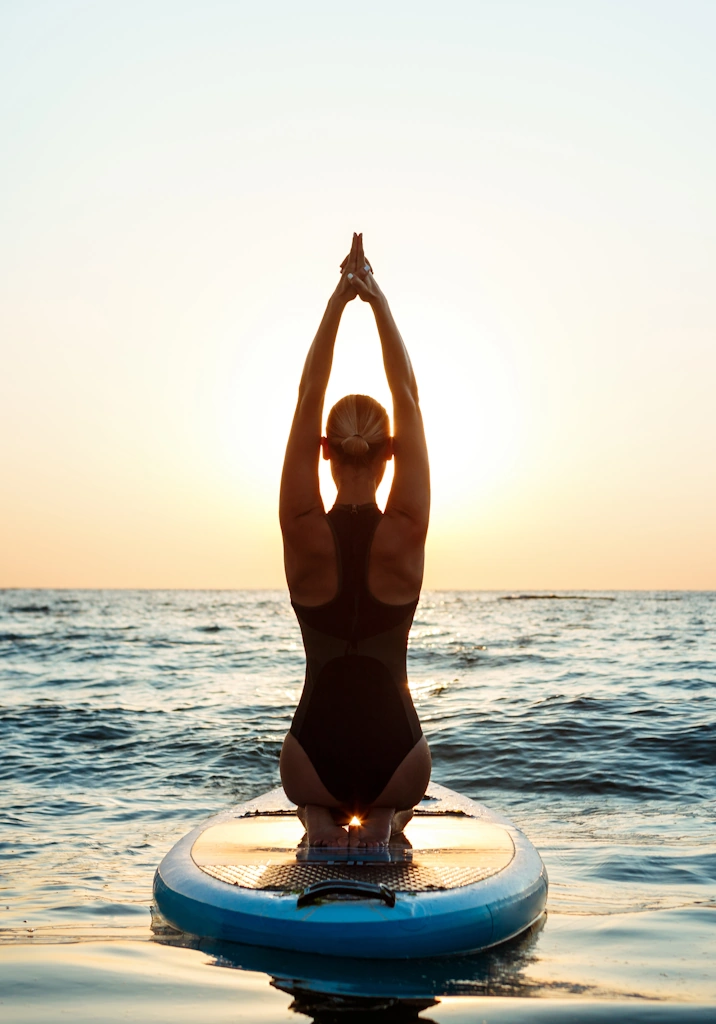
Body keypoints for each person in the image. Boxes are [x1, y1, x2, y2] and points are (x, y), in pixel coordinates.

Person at [279, 233, 431, 849]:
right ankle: (389, 822)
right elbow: (410, 400)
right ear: (389, 453)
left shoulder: (301, 527)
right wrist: (378, 300)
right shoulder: (406, 530)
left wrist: (338, 301)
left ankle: (318, 822)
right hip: (399, 760)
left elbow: (308, 396)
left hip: (311, 760)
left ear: (324, 452)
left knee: (314, 802)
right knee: (393, 808)